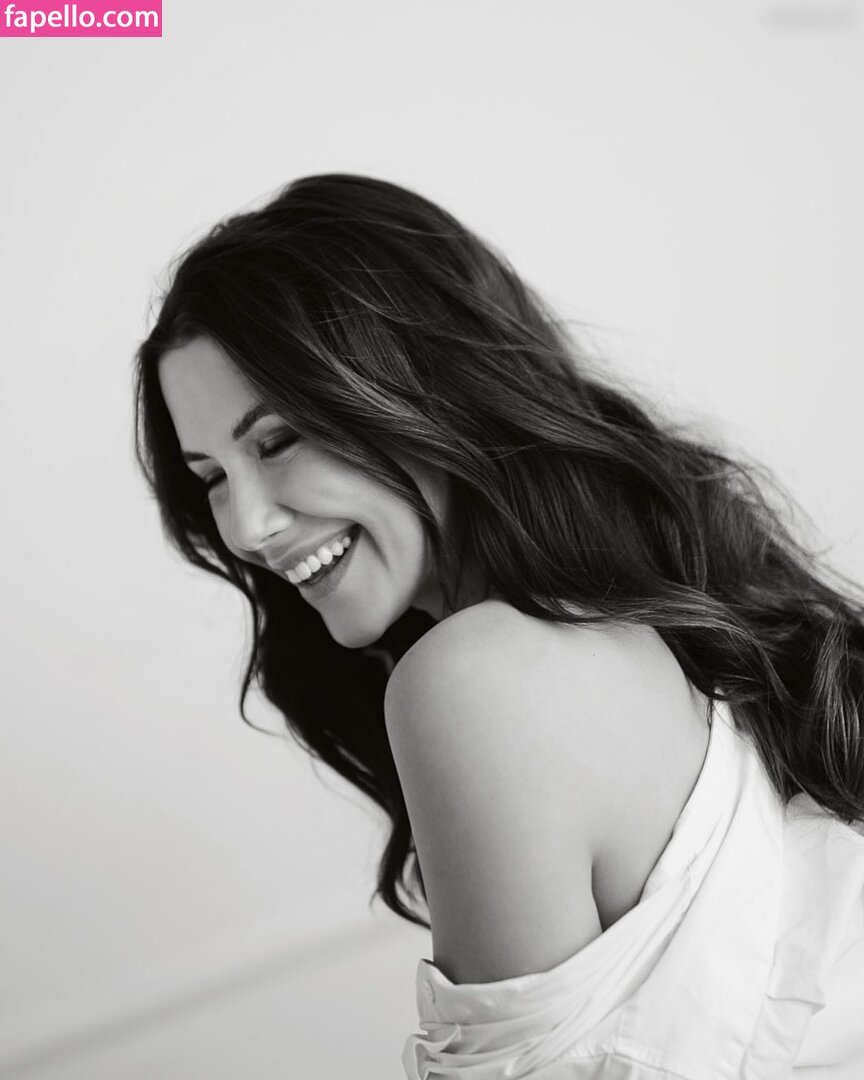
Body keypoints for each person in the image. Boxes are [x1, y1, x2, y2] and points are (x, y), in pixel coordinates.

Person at [134, 174, 864, 1078]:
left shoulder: (477, 678)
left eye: (277, 441)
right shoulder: (683, 620)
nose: (246, 527)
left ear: (422, 387)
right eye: (211, 477)